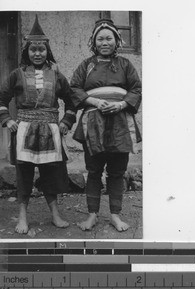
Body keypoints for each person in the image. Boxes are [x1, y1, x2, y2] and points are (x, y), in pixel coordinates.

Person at [0, 15, 76, 234]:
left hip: (50, 132)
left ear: (47, 51)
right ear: (27, 52)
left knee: (50, 174)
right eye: (33, 50)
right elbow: (2, 99)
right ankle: (22, 216)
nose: (37, 54)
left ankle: (55, 214)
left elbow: (71, 102)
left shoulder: (57, 76)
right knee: (24, 175)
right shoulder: (17, 75)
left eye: (41, 50)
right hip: (24, 131)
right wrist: (8, 120)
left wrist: (66, 122)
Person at [70, 18, 142, 232]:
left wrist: (121, 104)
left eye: (108, 38)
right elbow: (74, 88)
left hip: (120, 122)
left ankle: (115, 215)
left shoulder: (125, 65)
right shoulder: (86, 65)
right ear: (94, 42)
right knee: (93, 171)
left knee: (117, 172)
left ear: (116, 40)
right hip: (93, 123)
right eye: (100, 38)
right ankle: (92, 215)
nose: (104, 42)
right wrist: (94, 101)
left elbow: (136, 89)